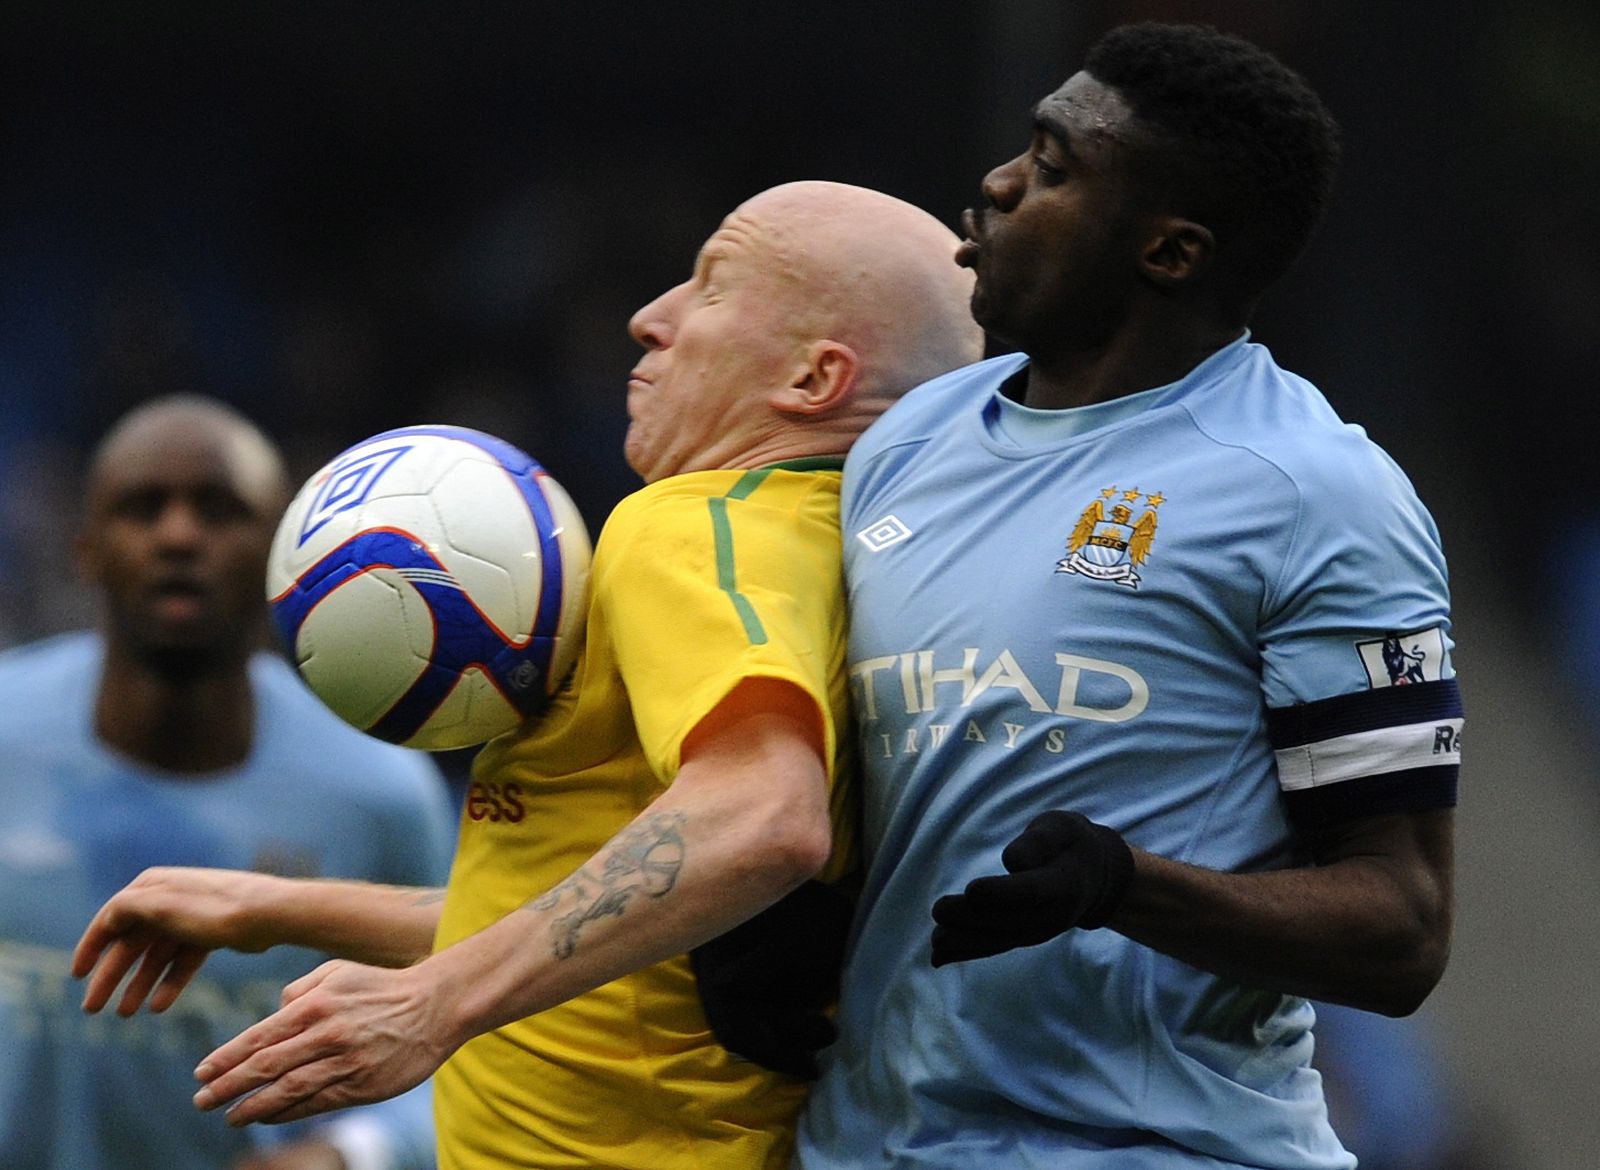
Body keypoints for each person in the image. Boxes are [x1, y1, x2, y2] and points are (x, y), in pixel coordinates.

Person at [73, 181, 985, 1168]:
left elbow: (764, 819)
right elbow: (616, 910)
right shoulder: (865, 564)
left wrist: (433, 1006)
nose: (651, 316)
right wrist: (267, 908)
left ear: (814, 379)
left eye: (710, 287)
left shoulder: (685, 529)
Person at [795, 23, 1461, 1170]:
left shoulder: (1313, 492)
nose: (999, 183)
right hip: (867, 1149)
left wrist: (1127, 886)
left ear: (1168, 251)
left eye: (1053, 168)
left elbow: (1399, 930)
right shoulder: (905, 445)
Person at [0, 396, 456, 1170]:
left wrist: (351, 1151)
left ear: (284, 555)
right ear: (86, 549)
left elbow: (470, 1023)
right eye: (144, 509)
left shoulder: (382, 791)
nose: (179, 535)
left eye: (220, 510)